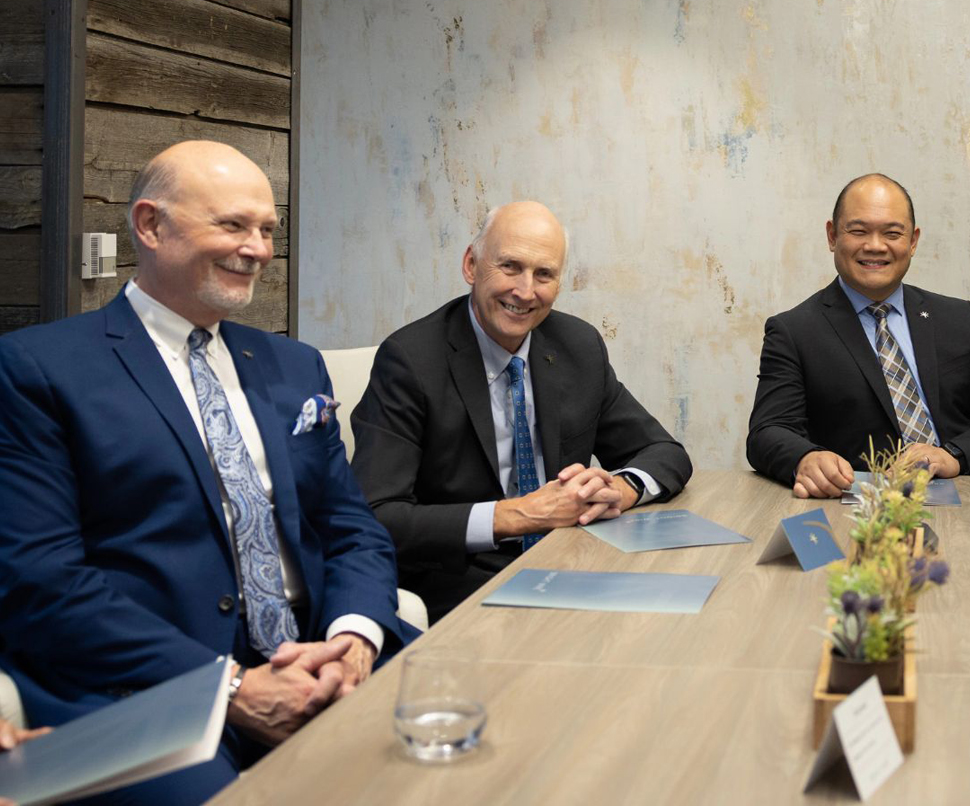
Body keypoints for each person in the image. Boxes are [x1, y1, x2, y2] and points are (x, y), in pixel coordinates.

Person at [0, 142, 408, 805]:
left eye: (268, 230)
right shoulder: (39, 370)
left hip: (316, 651)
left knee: (477, 727)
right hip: (147, 683)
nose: (256, 248)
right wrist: (235, 687)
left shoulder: (294, 364)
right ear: (151, 224)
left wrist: (352, 639)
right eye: (232, 224)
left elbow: (352, 527)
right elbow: (42, 583)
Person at [350, 202, 692, 621]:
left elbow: (664, 452)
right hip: (460, 587)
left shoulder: (578, 346)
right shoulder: (410, 361)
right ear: (471, 266)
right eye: (510, 267)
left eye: (544, 274)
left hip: (570, 564)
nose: (526, 292)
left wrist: (617, 491)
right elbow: (375, 516)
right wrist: (514, 516)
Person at [746, 173, 970, 497]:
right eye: (858, 231)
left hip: (968, 495)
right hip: (863, 508)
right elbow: (767, 432)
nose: (875, 246)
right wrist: (805, 458)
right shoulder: (794, 331)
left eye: (892, 233)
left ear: (912, 241)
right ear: (832, 236)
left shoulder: (959, 319)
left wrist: (953, 455)